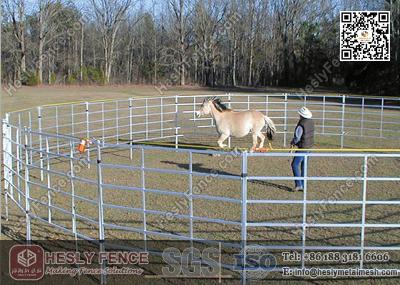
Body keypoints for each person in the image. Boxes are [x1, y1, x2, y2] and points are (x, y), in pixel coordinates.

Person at [290, 107, 314, 191]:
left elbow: (297, 137)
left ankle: (299, 184)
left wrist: (293, 142)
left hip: (303, 147)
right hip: (309, 146)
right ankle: (303, 184)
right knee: (304, 165)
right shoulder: (311, 122)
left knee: (294, 164)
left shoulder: (301, 124)